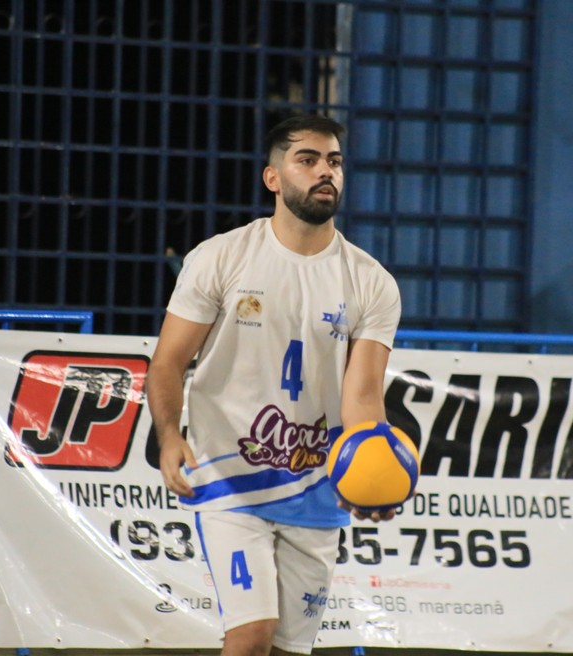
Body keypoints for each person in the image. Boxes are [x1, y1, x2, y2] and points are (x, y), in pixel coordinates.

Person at [146, 114, 402, 656]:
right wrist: (169, 434)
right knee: (251, 636)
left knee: (289, 649)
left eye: (333, 161)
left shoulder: (372, 282)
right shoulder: (221, 257)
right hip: (228, 477)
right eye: (307, 160)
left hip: (313, 486)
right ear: (273, 178)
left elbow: (363, 396)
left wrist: (371, 469)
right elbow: (168, 362)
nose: (324, 171)